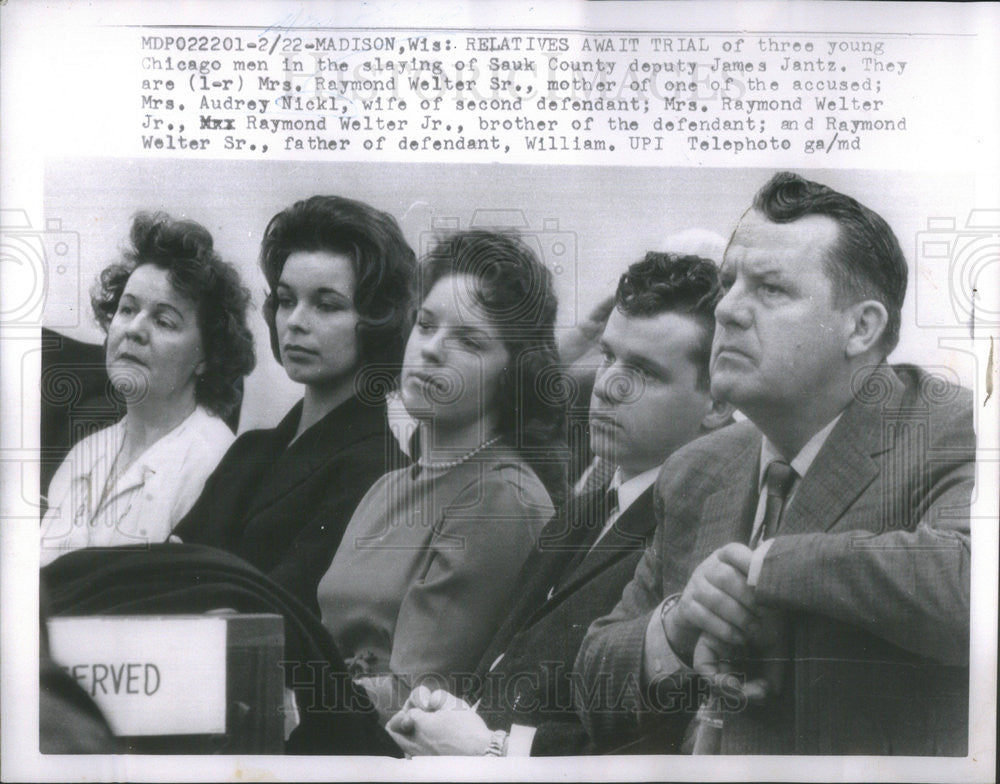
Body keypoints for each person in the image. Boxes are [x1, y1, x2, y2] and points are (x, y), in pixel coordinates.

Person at [575, 172, 975, 755]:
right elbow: (592, 692)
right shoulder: (698, 469)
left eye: (770, 290)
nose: (729, 310)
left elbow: (975, 588)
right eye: (729, 282)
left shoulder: (953, 428)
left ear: (861, 327)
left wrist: (766, 568)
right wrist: (680, 624)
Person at [386, 252, 734, 756]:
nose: (608, 386)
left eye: (646, 373)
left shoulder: (700, 533)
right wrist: (450, 716)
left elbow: (649, 744)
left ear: (718, 403)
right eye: (610, 356)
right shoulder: (585, 508)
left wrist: (493, 749)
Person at [316, 230, 562, 723]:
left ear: (513, 373)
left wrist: (281, 699)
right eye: (425, 325)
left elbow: (417, 699)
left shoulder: (501, 498)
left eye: (469, 341)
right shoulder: (387, 487)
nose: (430, 350)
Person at [173, 196, 414, 612]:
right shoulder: (250, 449)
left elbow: (274, 613)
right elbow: (167, 572)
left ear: (376, 320)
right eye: (286, 300)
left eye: (326, 304)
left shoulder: (379, 465)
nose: (296, 322)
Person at [40, 212, 254, 566]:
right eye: (127, 309)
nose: (134, 329)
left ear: (207, 356)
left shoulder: (216, 465)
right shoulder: (84, 454)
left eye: (164, 320)